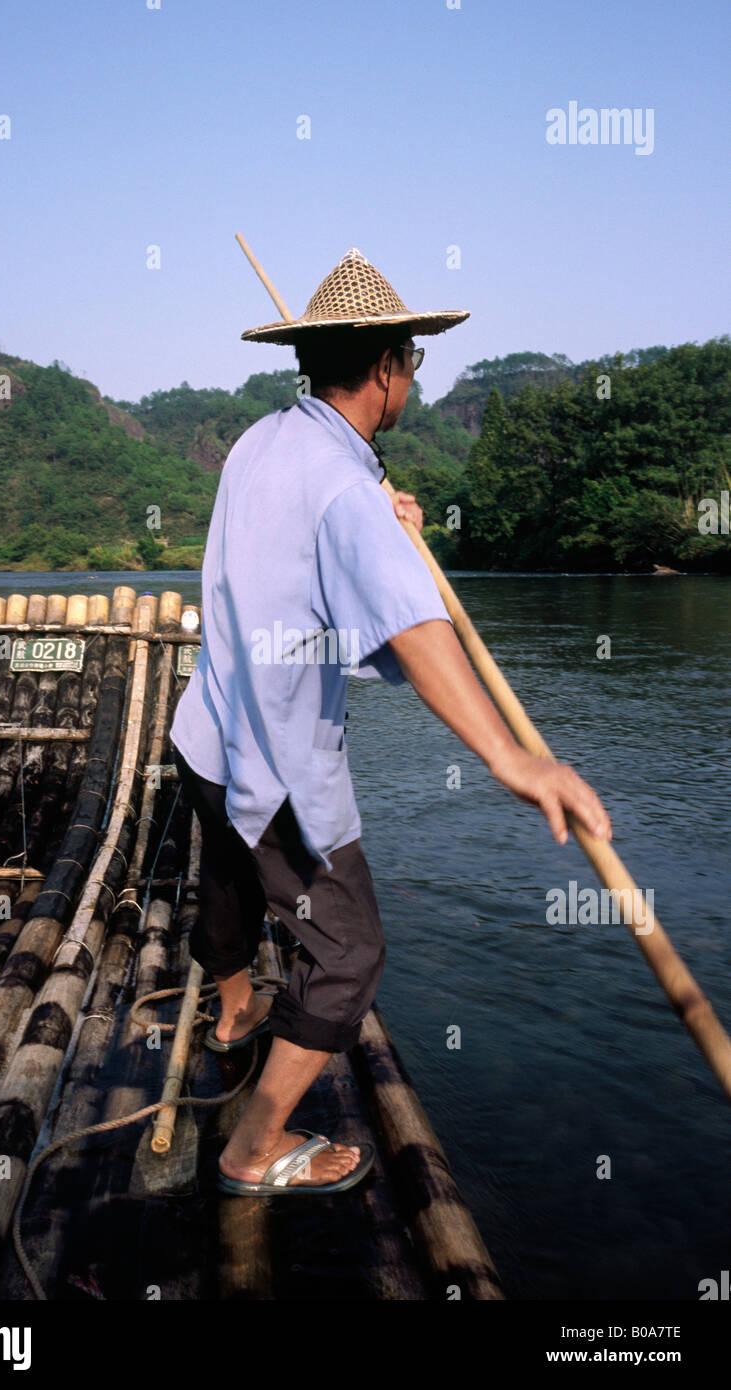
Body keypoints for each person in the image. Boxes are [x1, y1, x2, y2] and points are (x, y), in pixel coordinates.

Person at [170, 247, 612, 1195]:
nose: (412, 378)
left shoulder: (264, 442)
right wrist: (511, 758)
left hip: (202, 732)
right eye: (413, 361)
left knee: (231, 884)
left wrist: (374, 507)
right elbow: (414, 629)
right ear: (387, 368)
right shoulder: (342, 488)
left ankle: (235, 1012)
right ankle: (251, 1150)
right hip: (272, 761)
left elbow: (291, 557)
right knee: (351, 951)